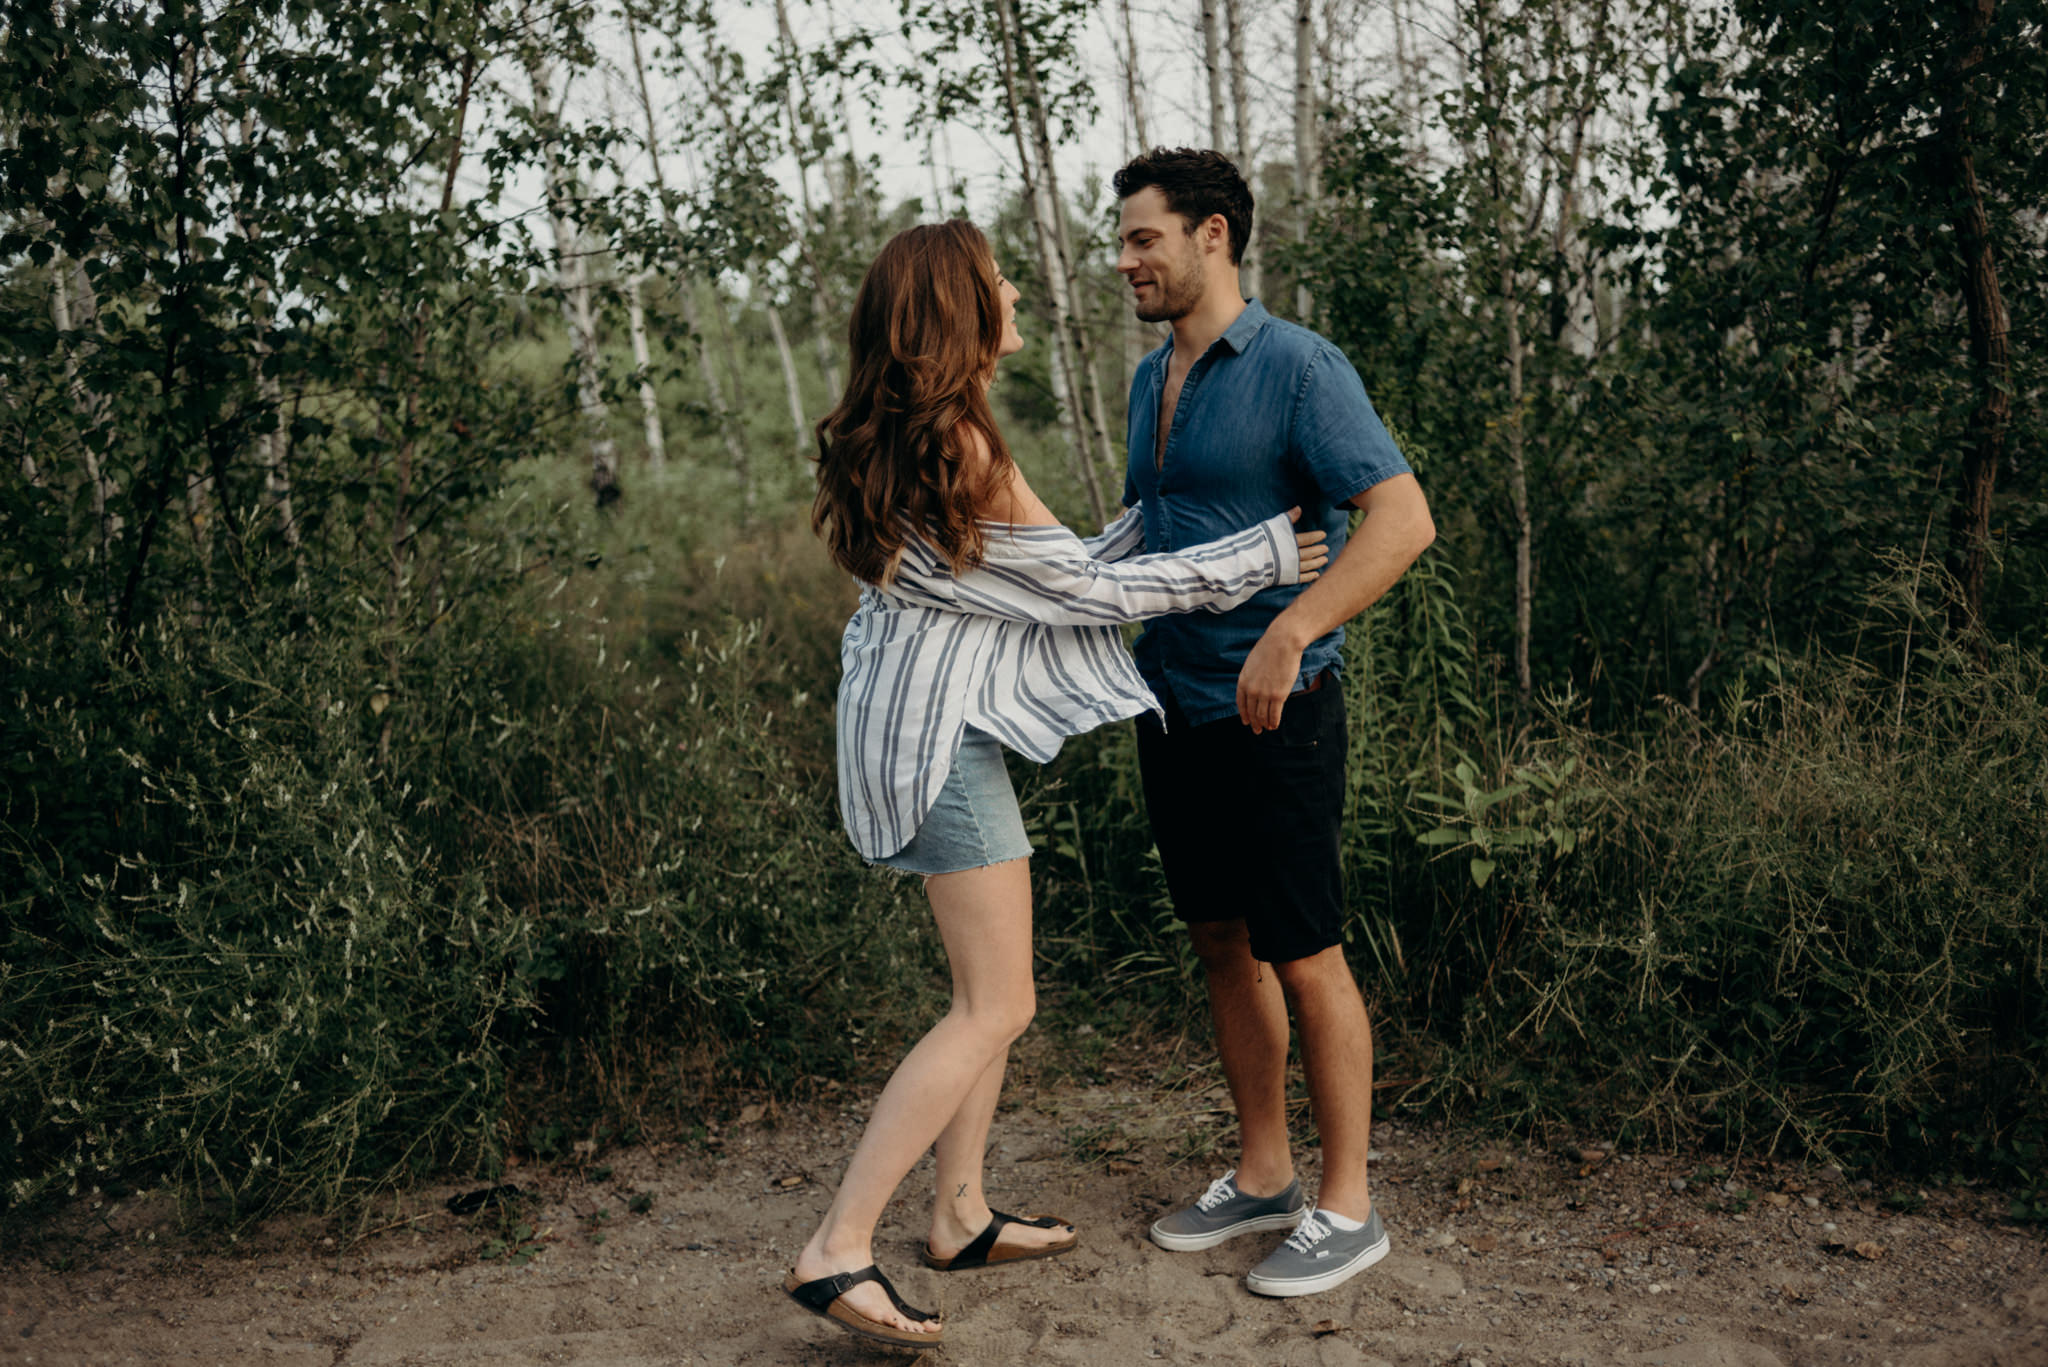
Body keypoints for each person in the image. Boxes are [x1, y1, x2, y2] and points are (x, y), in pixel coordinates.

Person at [783, 218, 1331, 1351]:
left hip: (916, 733)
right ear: (958, 311)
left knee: (987, 997)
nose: (1016, 289)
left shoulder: (902, 438)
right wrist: (1262, 556)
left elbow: (1056, 565)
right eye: (997, 280)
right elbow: (1085, 592)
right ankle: (837, 1245)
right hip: (940, 747)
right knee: (998, 1002)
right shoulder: (963, 448)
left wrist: (1153, 527)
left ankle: (960, 1214)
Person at [1111, 148, 1437, 1298]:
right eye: (1122, 239)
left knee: (1302, 948)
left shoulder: (1299, 366)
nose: (1124, 259)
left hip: (1278, 709)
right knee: (1219, 939)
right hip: (1172, 704)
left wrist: (1292, 629)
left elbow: (1399, 520)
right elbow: (1150, 539)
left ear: (1212, 236)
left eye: (1142, 237)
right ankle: (1264, 1173)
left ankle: (1347, 1207)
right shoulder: (1152, 378)